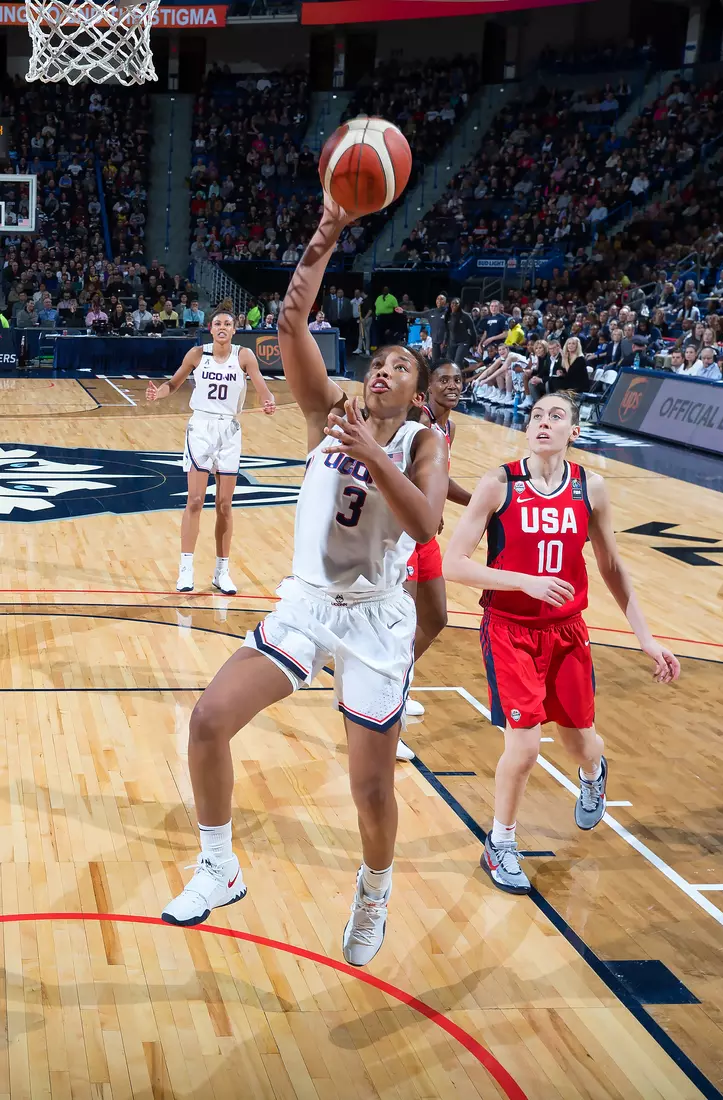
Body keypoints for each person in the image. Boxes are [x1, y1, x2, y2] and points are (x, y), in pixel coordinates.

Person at [160, 197, 449, 969]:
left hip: (375, 620)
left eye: (400, 366)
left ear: (416, 394)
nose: (383, 368)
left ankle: (374, 890)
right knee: (208, 720)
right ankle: (218, 867)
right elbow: (290, 324)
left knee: (370, 790)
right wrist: (326, 231)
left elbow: (426, 525)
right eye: (378, 361)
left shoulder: (423, 443)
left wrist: (372, 452)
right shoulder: (326, 411)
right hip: (307, 605)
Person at [443, 391, 680, 894]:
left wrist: (646, 639)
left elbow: (611, 566)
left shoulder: (590, 487)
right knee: (525, 745)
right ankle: (500, 843)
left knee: (579, 742)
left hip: (568, 631)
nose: (543, 423)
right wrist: (524, 583)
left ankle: (594, 772)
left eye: (556, 416)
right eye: (536, 415)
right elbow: (453, 564)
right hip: (509, 629)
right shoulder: (499, 483)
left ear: (574, 432)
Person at [146, 308, 276, 595]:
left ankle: (221, 572)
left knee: (225, 505)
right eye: (218, 323)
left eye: (228, 323)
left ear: (234, 329)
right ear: (210, 327)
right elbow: (174, 383)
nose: (222, 327)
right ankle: (186, 569)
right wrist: (159, 393)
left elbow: (262, 387)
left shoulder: (244, 356)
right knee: (194, 500)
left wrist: (268, 400)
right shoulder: (197, 354)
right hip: (201, 428)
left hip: (229, 430)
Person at [398, 361, 471, 757]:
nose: (453, 385)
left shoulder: (449, 428)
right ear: (427, 388)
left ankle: (397, 683)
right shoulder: (418, 422)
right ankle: (385, 712)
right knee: (401, 627)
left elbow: (438, 478)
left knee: (436, 618)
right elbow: (400, 473)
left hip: (424, 536)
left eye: (458, 380)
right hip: (403, 534)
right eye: (444, 380)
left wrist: (478, 504)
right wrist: (426, 505)